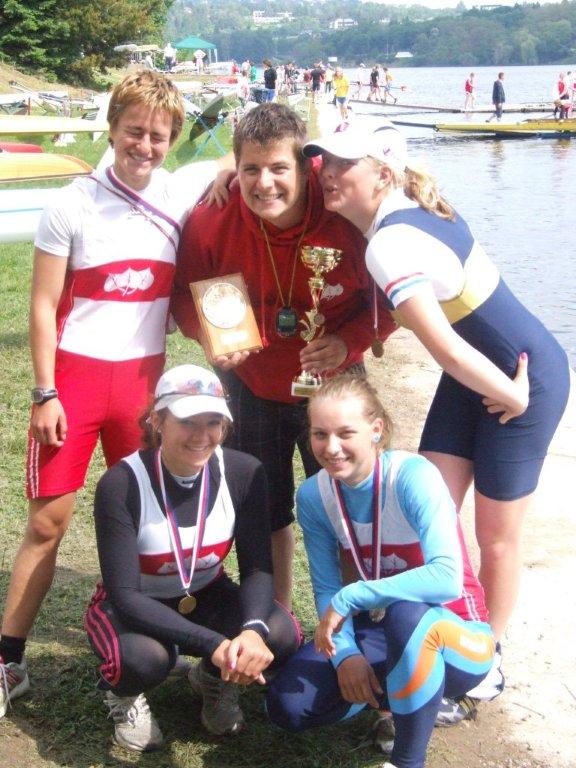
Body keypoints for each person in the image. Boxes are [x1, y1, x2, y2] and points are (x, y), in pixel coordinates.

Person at [0, 70, 235, 718]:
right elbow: (42, 305)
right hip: (74, 383)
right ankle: (9, 660)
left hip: (140, 388)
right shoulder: (71, 203)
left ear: (172, 140)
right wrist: (44, 391)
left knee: (147, 526)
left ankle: (134, 661)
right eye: (134, 131)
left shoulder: (179, 194)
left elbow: (247, 160)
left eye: (159, 136)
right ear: (112, 128)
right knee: (47, 524)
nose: (145, 146)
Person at [302, 124, 570, 647]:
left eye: (344, 163)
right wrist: (224, 172)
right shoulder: (407, 206)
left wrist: (514, 395)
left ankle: (484, 656)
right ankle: (425, 631)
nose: (328, 173)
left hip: (523, 380)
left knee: (494, 537)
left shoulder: (389, 243)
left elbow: (444, 346)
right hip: (473, 376)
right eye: (325, 162)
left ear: (383, 174)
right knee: (423, 511)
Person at [171, 103, 395, 610]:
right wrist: (208, 337)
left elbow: (389, 299)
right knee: (265, 510)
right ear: (235, 168)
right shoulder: (211, 217)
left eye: (278, 168)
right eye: (250, 169)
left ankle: (356, 613)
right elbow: (183, 294)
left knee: (350, 500)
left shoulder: (344, 211)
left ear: (306, 167)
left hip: (335, 382)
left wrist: (349, 341)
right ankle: (277, 620)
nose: (264, 184)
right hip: (252, 384)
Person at [266, 375, 496, 768]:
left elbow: (446, 579)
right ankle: (400, 698)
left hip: (459, 635)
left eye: (345, 433)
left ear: (376, 429)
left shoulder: (413, 476)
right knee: (288, 705)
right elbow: (326, 587)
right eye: (320, 434)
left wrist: (353, 595)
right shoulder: (315, 495)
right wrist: (346, 655)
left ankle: (408, 758)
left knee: (409, 615)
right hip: (381, 630)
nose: (331, 447)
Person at [85, 364, 301, 751]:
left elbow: (256, 568)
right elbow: (125, 595)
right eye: (187, 422)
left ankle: (213, 680)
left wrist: (251, 631)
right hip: (135, 604)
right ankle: (124, 695)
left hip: (206, 592)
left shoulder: (244, 472)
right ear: (157, 421)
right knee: (144, 661)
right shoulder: (120, 483)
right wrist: (214, 642)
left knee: (282, 632)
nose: (202, 436)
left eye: (213, 422)